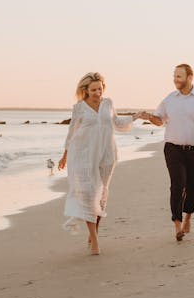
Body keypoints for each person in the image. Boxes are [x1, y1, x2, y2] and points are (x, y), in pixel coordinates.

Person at [140, 63, 194, 241]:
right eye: (174, 76)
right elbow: (159, 120)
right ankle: (177, 224)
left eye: (179, 76)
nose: (175, 79)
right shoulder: (170, 99)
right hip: (173, 149)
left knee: (192, 187)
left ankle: (188, 218)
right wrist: (149, 117)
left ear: (190, 78)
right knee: (178, 185)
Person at [58, 72, 137, 255]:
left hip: (107, 154)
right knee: (87, 193)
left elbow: (117, 123)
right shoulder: (79, 108)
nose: (97, 93)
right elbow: (72, 132)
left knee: (100, 196)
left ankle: (95, 229)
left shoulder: (108, 104)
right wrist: (64, 155)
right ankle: (94, 238)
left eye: (99, 89)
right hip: (83, 155)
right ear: (85, 90)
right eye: (93, 90)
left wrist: (136, 116)